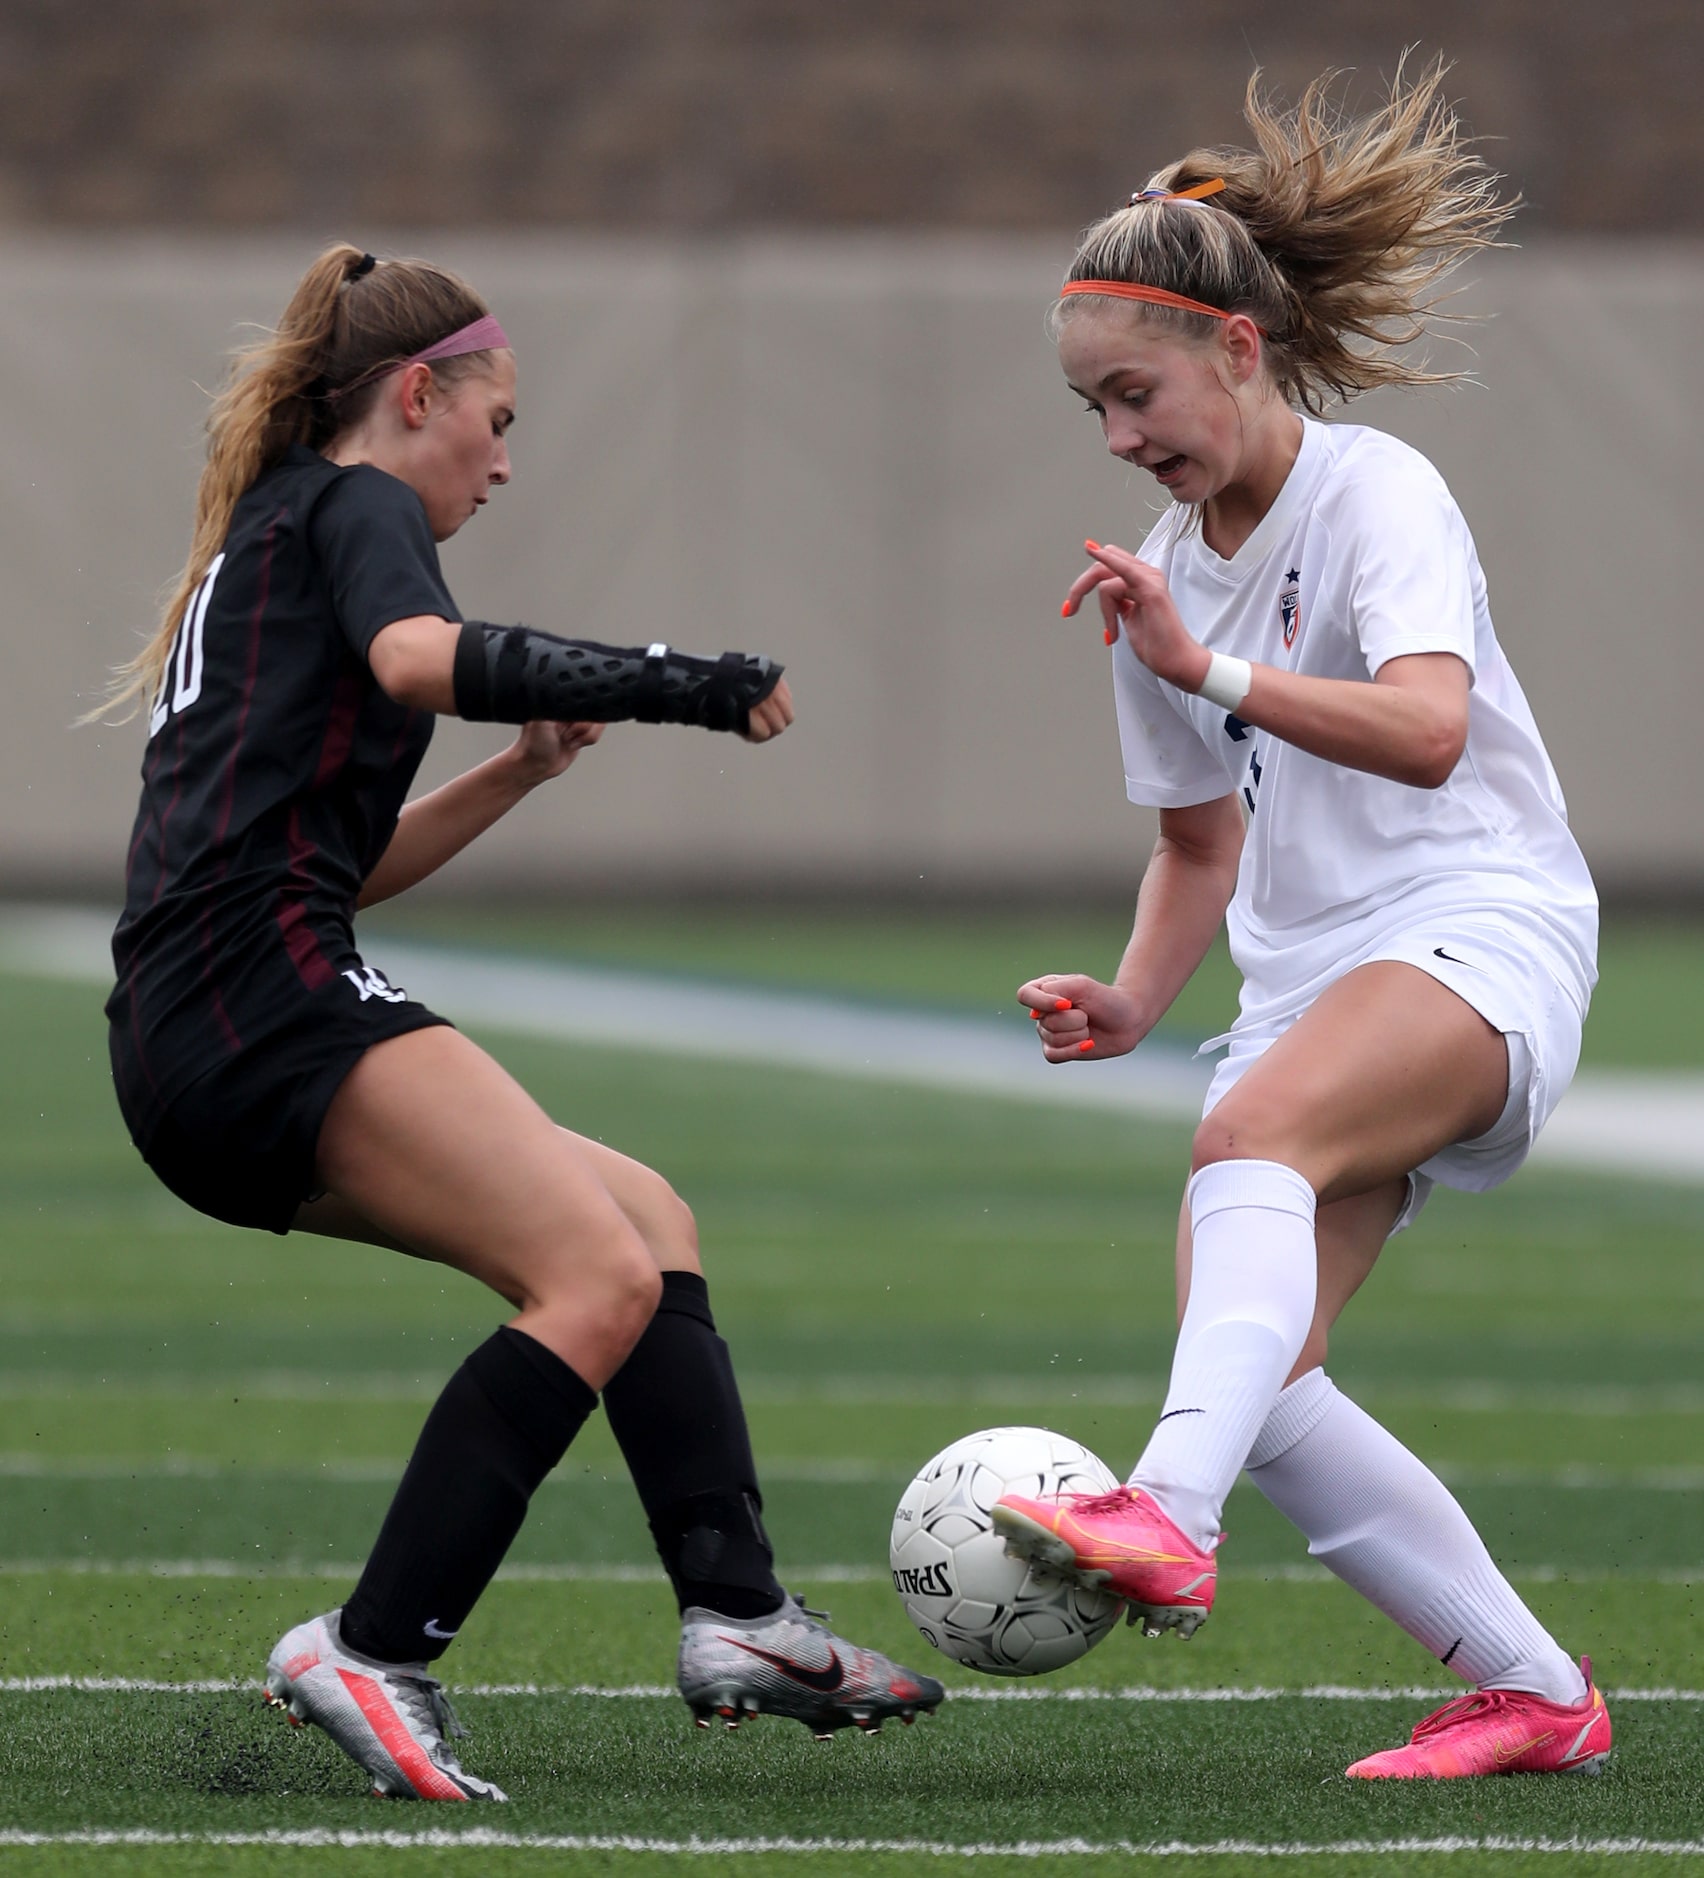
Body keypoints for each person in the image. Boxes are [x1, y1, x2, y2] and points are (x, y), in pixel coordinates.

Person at [98, 243, 942, 1802]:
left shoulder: (282, 530)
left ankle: (739, 1610)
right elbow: (426, 659)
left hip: (203, 1014)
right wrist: (682, 680)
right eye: (495, 416)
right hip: (252, 998)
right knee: (596, 1271)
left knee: (645, 1220)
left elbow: (343, 860)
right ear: (415, 394)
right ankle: (374, 1643)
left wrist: (523, 769)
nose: (504, 455)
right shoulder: (354, 507)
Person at [989, 64, 1612, 1780]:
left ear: (1241, 352)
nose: (1123, 439)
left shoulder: (1375, 491)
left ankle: (1160, 1517)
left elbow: (1422, 731)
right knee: (1260, 1374)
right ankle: (1537, 1693)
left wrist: (1216, 669)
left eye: (1138, 394)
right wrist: (1128, 999)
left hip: (1476, 919)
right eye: (1093, 414)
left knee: (1250, 1148)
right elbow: (1199, 843)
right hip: (1305, 972)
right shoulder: (1164, 573)